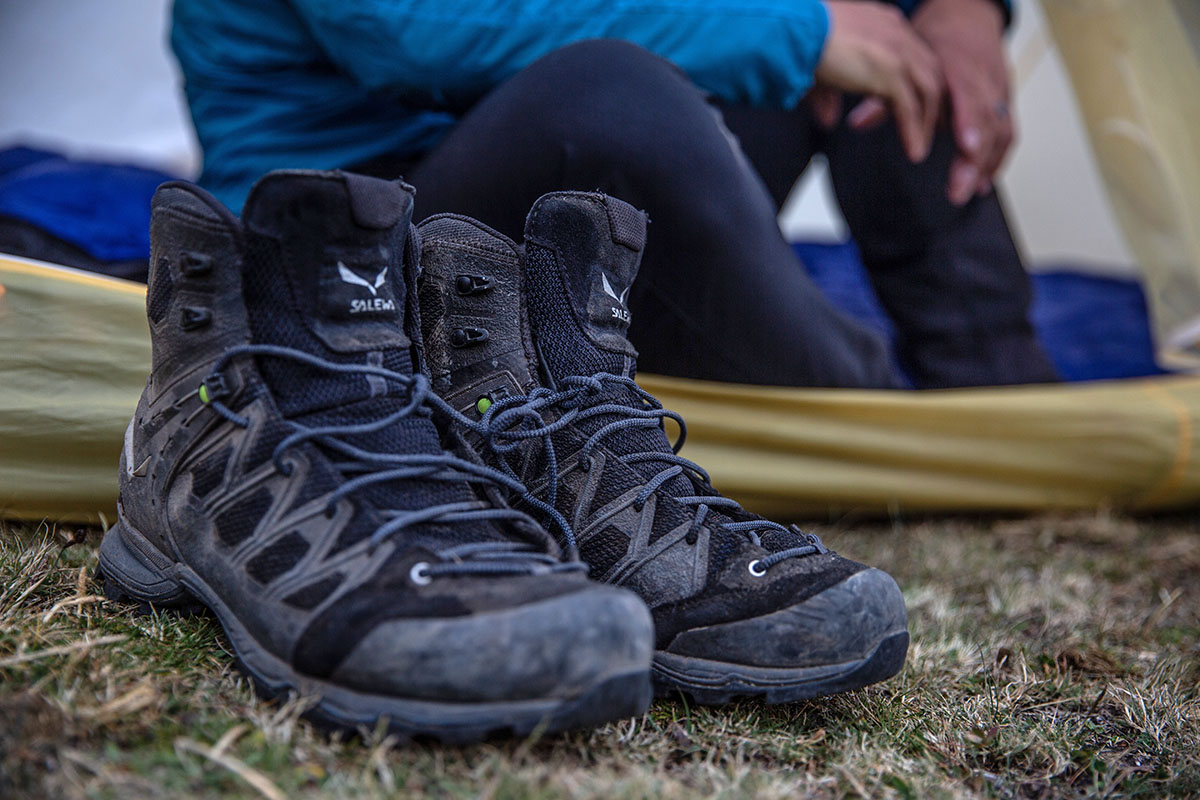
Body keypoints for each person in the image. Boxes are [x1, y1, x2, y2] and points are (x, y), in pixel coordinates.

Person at [171, 0, 1057, 389]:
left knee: (892, 50)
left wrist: (962, 7)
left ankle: (992, 378)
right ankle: (859, 401)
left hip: (534, 223)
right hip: (358, 244)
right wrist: (804, 28)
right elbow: (415, 29)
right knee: (610, 91)